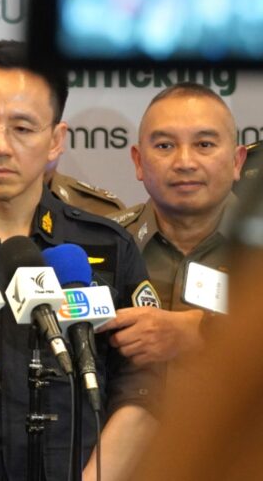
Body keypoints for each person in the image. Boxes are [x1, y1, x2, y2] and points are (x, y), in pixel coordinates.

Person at [0, 40, 158, 481]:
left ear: (55, 140)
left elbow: (143, 389)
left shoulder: (108, 247)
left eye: (22, 128)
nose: (0, 146)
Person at [102, 83, 247, 368]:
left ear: (236, 161)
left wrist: (200, 333)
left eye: (204, 145)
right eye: (165, 146)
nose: (185, 162)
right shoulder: (100, 243)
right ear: (138, 161)